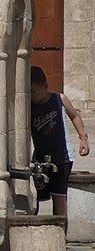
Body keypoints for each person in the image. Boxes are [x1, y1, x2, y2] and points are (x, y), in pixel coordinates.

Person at [30, 66, 90, 218]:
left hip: (62, 157)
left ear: (45, 86)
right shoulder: (28, 107)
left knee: (59, 196)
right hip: (40, 158)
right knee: (37, 197)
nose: (31, 96)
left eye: (34, 92)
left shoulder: (59, 99)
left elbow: (75, 116)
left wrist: (83, 138)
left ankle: (59, 230)